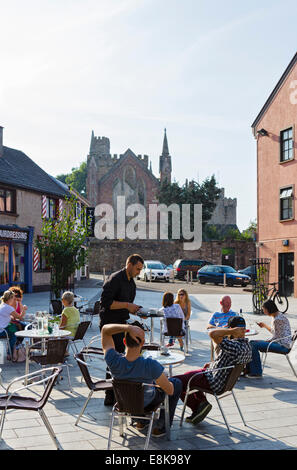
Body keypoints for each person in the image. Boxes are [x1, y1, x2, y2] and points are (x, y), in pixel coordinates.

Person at [101, 320, 182, 437]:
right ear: (143, 343)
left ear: (124, 341)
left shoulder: (113, 360)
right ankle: (161, 426)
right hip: (147, 403)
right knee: (176, 383)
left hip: (125, 403)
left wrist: (128, 328)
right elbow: (170, 391)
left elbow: (105, 330)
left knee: (146, 386)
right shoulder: (150, 365)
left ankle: (140, 421)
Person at [173, 316, 252, 424]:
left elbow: (212, 334)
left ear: (233, 329)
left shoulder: (234, 346)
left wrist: (230, 331)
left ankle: (197, 406)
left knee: (177, 382)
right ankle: (201, 404)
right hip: (223, 381)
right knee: (188, 376)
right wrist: (213, 364)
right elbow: (229, 362)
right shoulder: (247, 346)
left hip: (214, 381)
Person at [99, 254, 144, 405]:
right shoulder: (115, 279)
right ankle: (110, 395)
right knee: (114, 359)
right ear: (129, 264)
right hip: (109, 325)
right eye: (138, 269)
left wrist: (138, 311)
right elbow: (105, 303)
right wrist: (126, 305)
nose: (139, 272)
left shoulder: (132, 284)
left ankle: (118, 393)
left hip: (122, 323)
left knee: (122, 357)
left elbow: (128, 306)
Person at [246, 299, 292, 378]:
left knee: (252, 344)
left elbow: (276, 337)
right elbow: (276, 333)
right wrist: (264, 325)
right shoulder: (277, 316)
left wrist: (266, 341)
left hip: (282, 346)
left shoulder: (277, 319)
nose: (264, 312)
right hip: (281, 343)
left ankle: (256, 372)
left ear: (268, 309)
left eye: (264, 310)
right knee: (252, 343)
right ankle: (250, 370)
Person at [0, 290, 26, 355]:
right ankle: (10, 353)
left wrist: (11, 318)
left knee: (19, 326)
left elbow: (4, 317)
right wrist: (24, 309)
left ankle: (15, 349)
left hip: (2, 328)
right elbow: (20, 317)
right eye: (13, 298)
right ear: (9, 299)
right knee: (15, 334)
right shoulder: (9, 308)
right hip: (2, 330)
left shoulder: (2, 305)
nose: (14, 300)